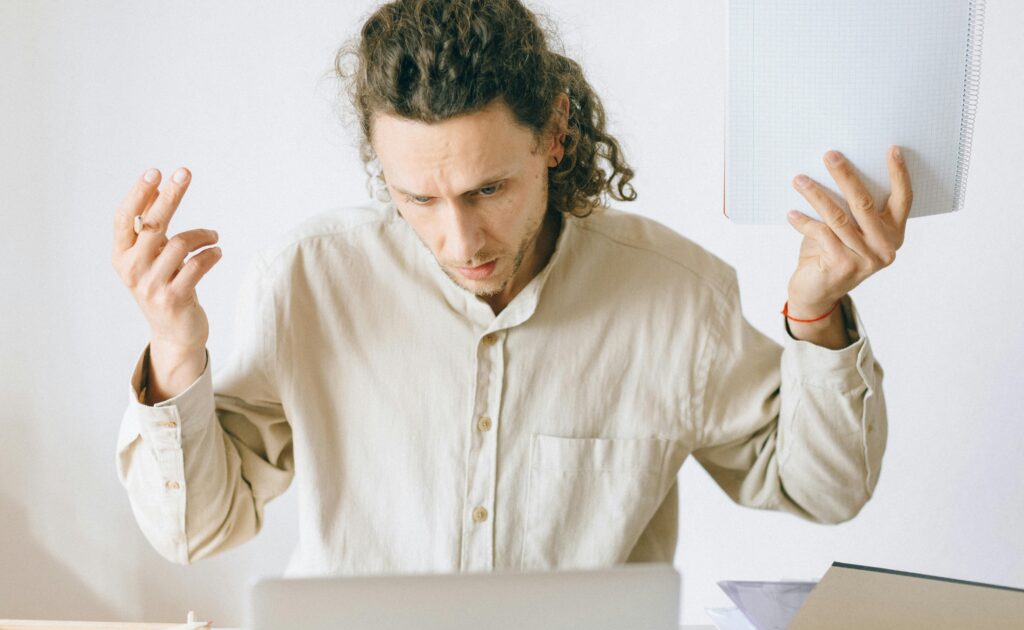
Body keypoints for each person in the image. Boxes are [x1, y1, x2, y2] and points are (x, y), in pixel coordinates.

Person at [112, 0, 910, 572]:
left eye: (487, 190)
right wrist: (176, 351)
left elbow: (824, 490)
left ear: (555, 134)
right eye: (418, 198)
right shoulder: (306, 282)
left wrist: (815, 317)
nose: (458, 240)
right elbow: (197, 529)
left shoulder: (677, 296)